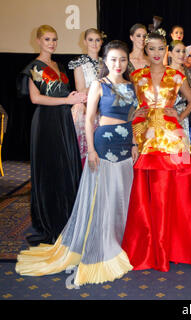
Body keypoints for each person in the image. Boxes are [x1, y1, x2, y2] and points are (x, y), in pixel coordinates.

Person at [16, 40, 138, 286]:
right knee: (101, 198)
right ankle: (99, 246)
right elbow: (91, 119)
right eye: (113, 59)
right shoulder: (99, 85)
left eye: (122, 59)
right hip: (103, 146)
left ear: (127, 62)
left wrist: (134, 143)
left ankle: (114, 240)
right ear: (106, 61)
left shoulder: (130, 85)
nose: (118, 64)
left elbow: (130, 118)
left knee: (120, 196)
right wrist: (91, 150)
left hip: (126, 147)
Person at [121, 32, 191, 272]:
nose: (156, 53)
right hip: (144, 134)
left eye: (160, 49)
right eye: (151, 48)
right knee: (146, 194)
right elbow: (134, 107)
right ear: (145, 49)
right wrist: (133, 139)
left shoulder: (176, 75)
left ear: (167, 51)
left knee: (177, 192)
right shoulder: (136, 75)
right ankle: (149, 249)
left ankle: (173, 248)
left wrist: (179, 115)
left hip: (171, 136)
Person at [18, 25, 85, 245]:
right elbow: (36, 99)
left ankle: (66, 215)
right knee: (51, 169)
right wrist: (67, 100)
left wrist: (73, 97)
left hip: (63, 119)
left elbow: (63, 92)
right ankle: (50, 219)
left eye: (54, 39)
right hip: (46, 122)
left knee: (65, 166)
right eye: (47, 39)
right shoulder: (34, 67)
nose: (52, 43)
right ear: (38, 40)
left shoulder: (58, 64)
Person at [68, 28, 104, 167]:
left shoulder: (106, 62)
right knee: (84, 151)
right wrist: (100, 87)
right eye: (90, 40)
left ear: (101, 42)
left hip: (103, 109)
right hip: (85, 108)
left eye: (97, 40)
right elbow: (81, 89)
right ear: (84, 42)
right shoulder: (79, 62)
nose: (94, 43)